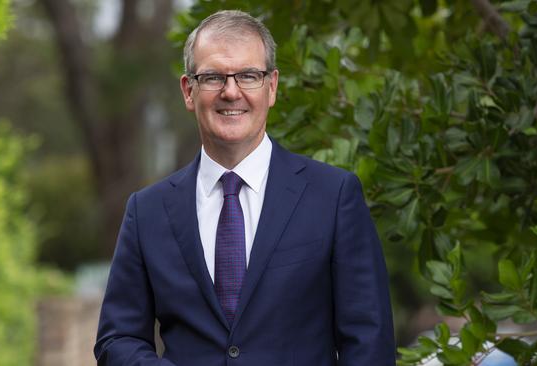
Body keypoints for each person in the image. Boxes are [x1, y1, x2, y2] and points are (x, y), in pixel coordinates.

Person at [94, 10, 395, 366]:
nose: (231, 92)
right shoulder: (147, 212)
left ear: (272, 87)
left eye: (249, 76)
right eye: (212, 77)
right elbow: (117, 338)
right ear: (189, 91)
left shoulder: (333, 197)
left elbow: (369, 342)